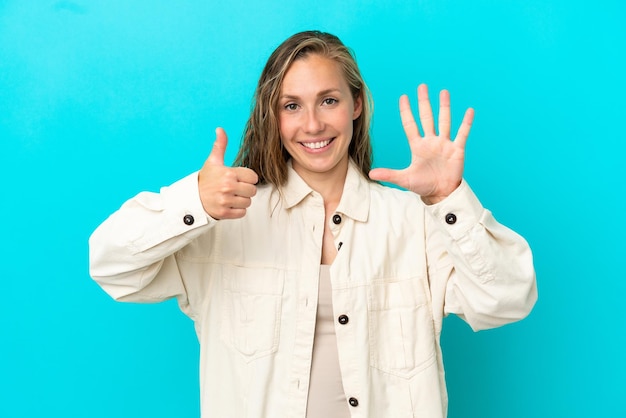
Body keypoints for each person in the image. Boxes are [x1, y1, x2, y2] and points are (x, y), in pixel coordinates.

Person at [89, 30, 537, 418]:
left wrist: (447, 198)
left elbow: (507, 300)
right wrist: (193, 203)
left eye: (328, 100)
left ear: (356, 104)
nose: (313, 124)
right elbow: (111, 267)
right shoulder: (225, 222)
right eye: (291, 106)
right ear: (273, 115)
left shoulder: (414, 222)